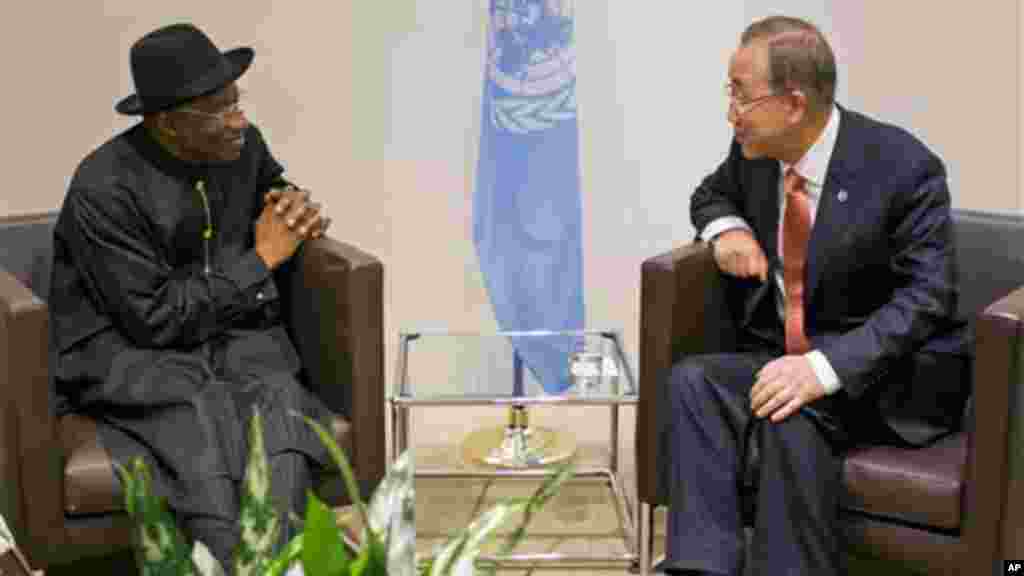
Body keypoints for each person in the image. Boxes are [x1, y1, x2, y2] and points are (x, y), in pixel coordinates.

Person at [657, 16, 970, 576]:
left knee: (792, 412)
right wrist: (726, 228)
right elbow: (709, 195)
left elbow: (929, 297)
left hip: (880, 376)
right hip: (785, 355)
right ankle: (700, 568)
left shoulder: (902, 168)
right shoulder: (754, 155)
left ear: (794, 103)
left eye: (741, 94)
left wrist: (821, 369)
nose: (731, 111)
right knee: (693, 382)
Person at [50, 23, 338, 570]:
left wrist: (291, 203)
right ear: (166, 122)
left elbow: (272, 186)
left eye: (237, 101)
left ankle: (275, 565)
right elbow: (153, 318)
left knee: (277, 401)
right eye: (218, 109)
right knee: (195, 419)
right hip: (132, 348)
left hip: (232, 330)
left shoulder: (243, 147)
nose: (240, 120)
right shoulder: (103, 187)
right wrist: (262, 260)